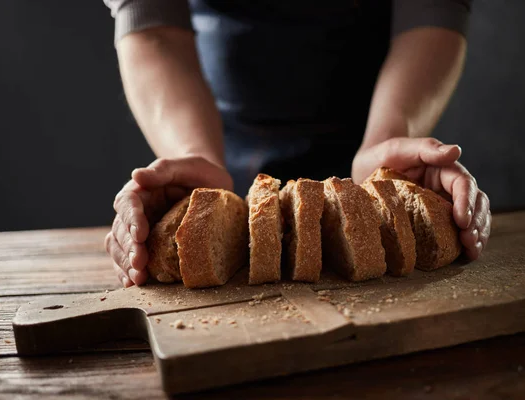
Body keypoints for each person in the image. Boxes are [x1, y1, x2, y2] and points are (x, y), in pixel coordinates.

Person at [103, 0, 491, 288]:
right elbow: (150, 24)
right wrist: (190, 157)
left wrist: (390, 140)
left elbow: (432, 12)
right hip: (215, 128)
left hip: (377, 113)